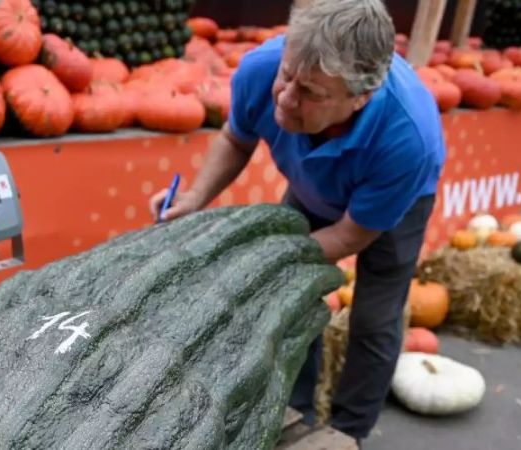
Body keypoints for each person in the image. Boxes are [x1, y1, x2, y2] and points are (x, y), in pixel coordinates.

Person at [148, 0, 445, 443]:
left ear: (360, 95)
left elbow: (350, 234)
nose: (285, 98)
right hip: (313, 182)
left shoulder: (407, 140)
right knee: (290, 297)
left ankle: (347, 432)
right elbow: (236, 137)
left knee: (374, 316)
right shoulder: (261, 68)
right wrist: (194, 199)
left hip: (388, 203)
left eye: (311, 92)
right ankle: (295, 408)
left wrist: (266, 256)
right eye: (287, 76)